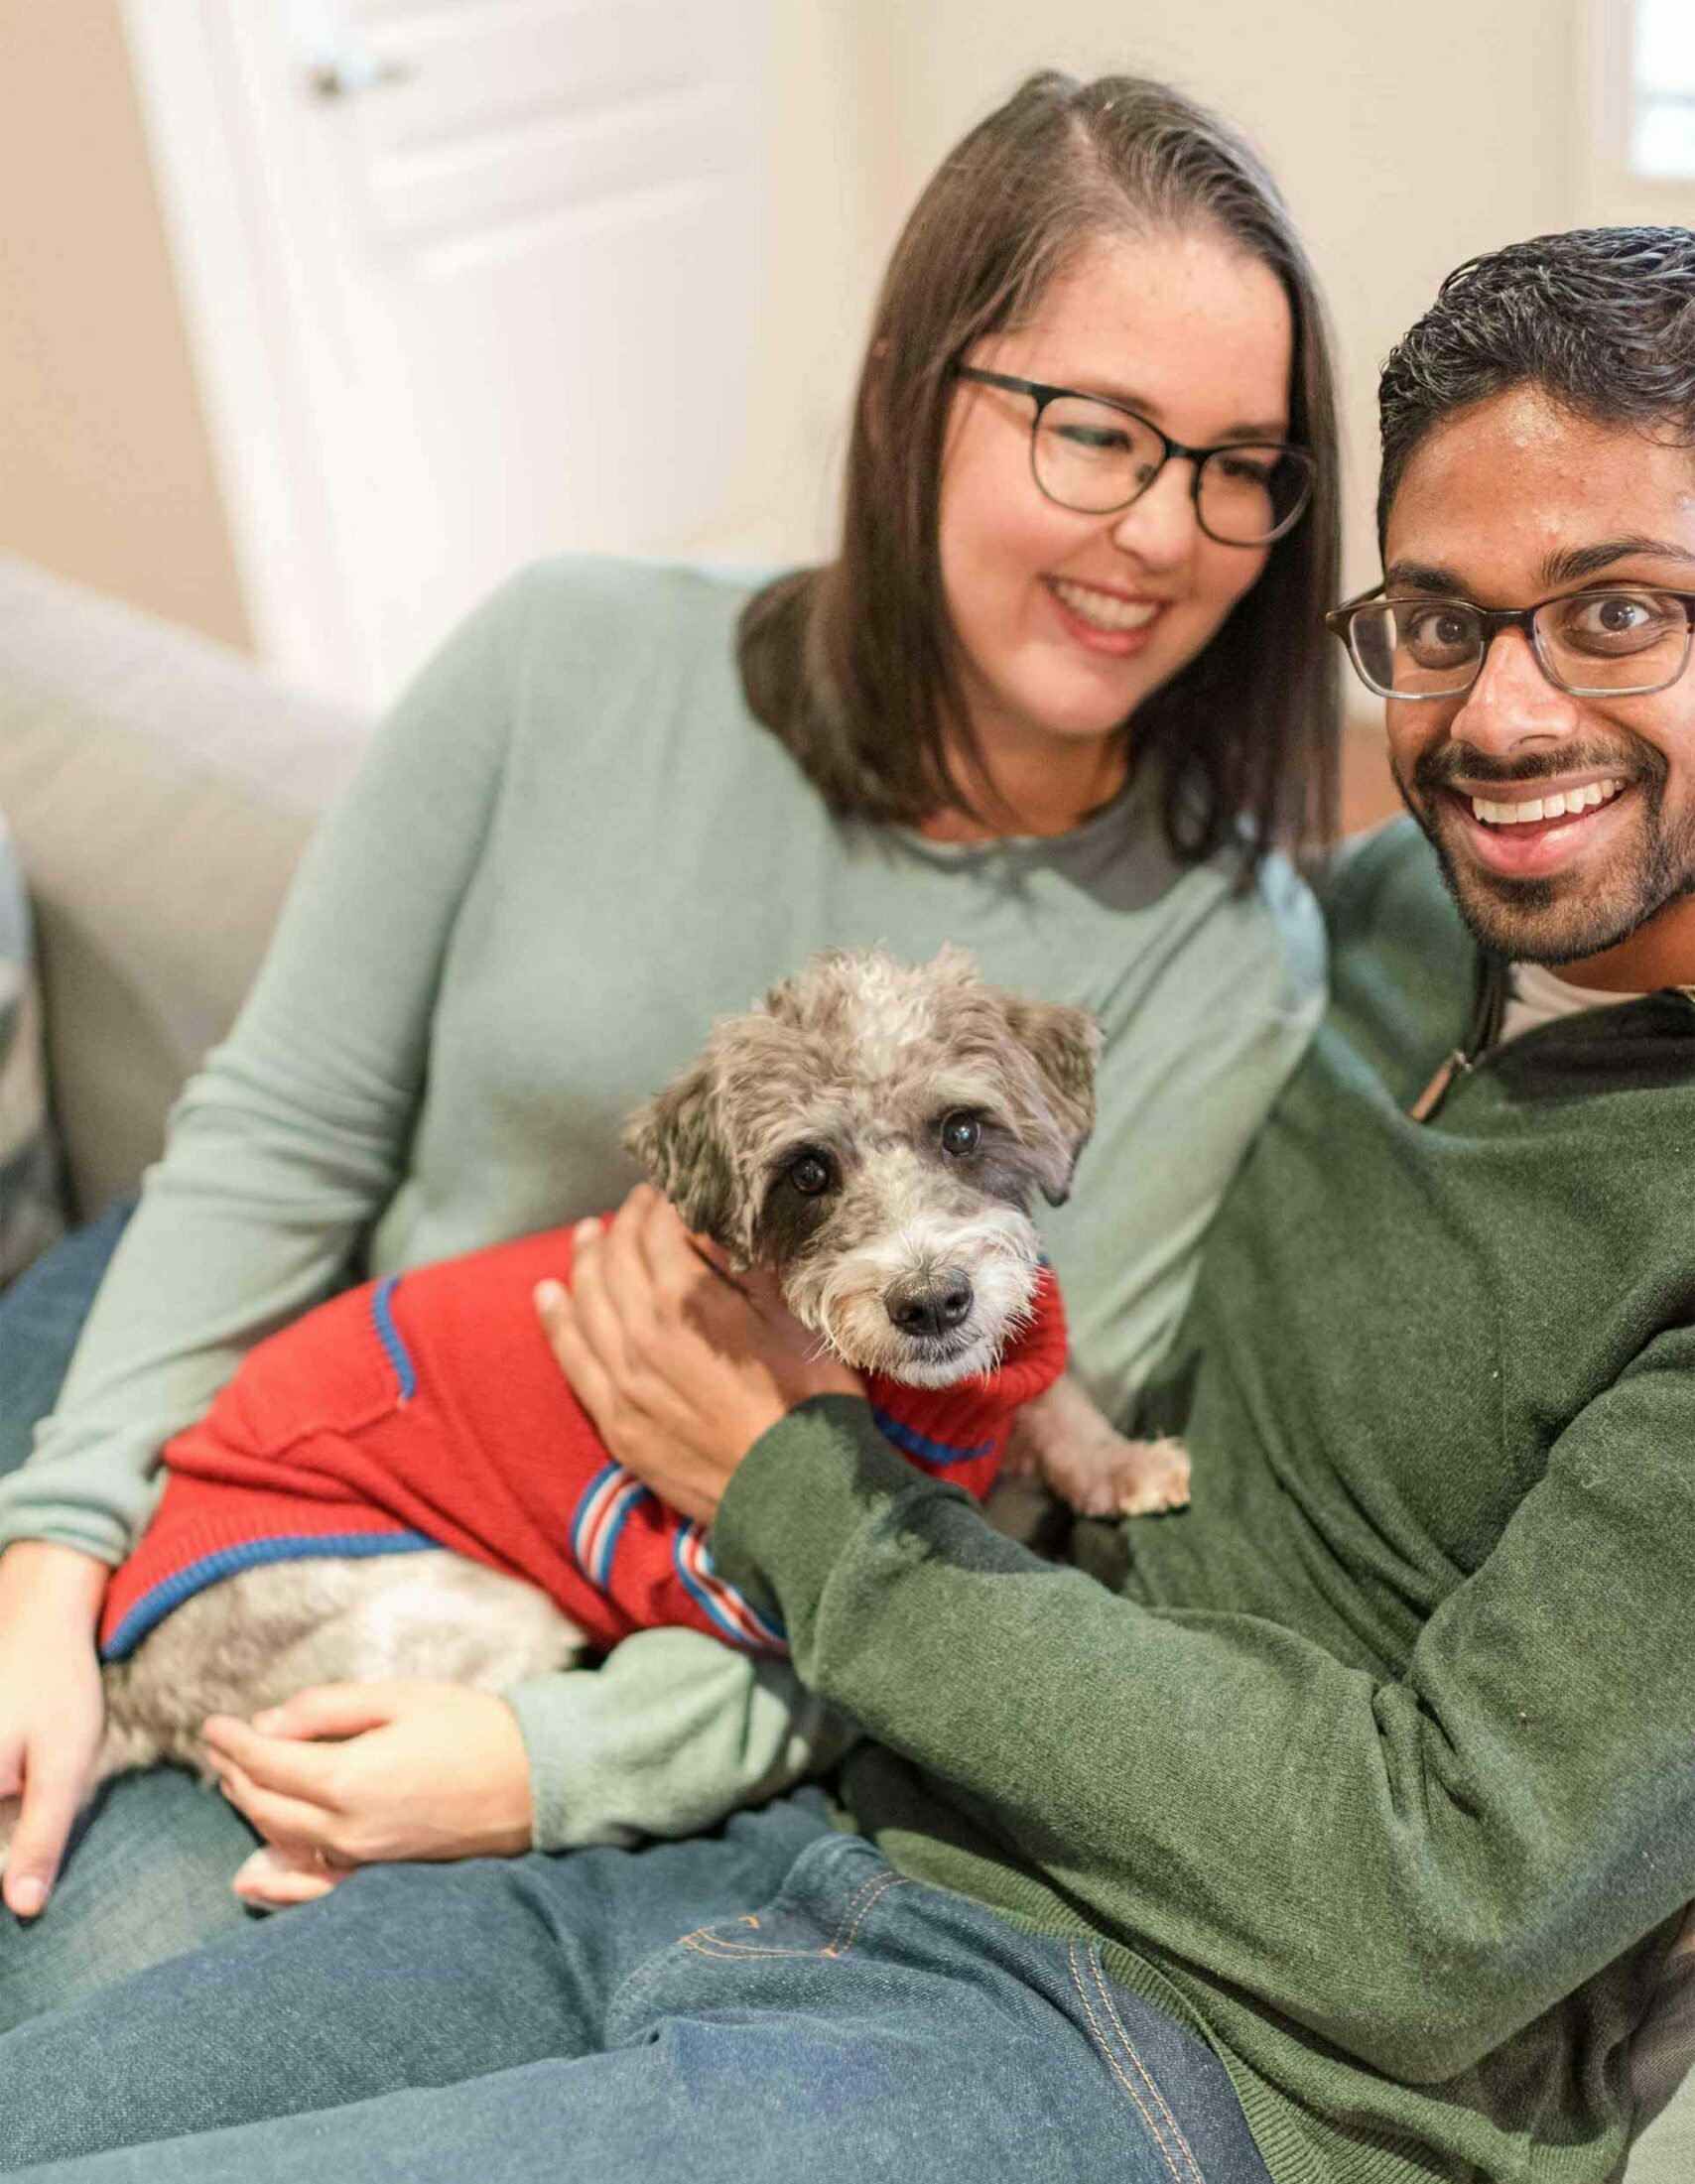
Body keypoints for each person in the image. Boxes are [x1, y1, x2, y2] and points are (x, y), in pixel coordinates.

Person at [3, 219, 1690, 2184]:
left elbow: (1438, 1904)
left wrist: (800, 1495)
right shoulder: (1387, 918)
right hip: (790, 1825)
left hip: (1177, 2051)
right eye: (1434, 617)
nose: (1493, 718)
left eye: (1613, 613)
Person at [0, 65, 1336, 2035]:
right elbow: (279, 1138)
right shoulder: (562, 653)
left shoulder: (1225, 950)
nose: (1162, 531)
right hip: (296, 1390)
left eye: (1239, 463)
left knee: (94, 2047)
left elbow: (976, 1496)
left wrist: (557, 1762)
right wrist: (54, 1551)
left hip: (657, 1603)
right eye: (1090, 431)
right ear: (904, 390)